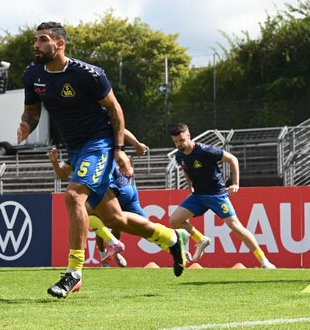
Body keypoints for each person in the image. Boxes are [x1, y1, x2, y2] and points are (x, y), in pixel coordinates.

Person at [18, 21, 188, 298]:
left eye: (42, 40)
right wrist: (26, 125)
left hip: (99, 145)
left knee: (73, 196)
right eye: (35, 40)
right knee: (116, 219)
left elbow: (115, 110)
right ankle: (171, 238)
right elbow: (32, 111)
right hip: (76, 149)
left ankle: (74, 273)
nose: (36, 45)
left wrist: (120, 149)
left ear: (59, 44)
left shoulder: (88, 74)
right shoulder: (32, 75)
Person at [167, 124, 276, 269]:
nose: (179, 144)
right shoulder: (179, 155)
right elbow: (186, 169)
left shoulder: (205, 150)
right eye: (176, 142)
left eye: (181, 140)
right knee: (175, 220)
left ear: (188, 135)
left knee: (236, 227)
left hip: (216, 194)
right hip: (198, 195)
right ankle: (201, 240)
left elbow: (232, 159)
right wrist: (190, 186)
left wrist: (236, 183)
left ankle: (264, 261)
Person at [47, 126, 149, 267]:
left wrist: (136, 145)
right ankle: (109, 253)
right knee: (98, 217)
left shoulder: (99, 139)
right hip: (112, 190)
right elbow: (63, 175)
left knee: (93, 215)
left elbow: (120, 129)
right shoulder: (76, 153)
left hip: (115, 188)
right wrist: (54, 163)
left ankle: (113, 247)